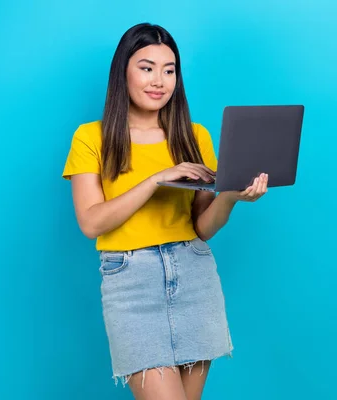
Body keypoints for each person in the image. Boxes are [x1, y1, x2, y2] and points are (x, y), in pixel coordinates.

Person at [62, 23, 268, 400]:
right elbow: (91, 222)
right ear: (122, 71)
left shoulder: (195, 136)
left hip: (193, 274)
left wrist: (230, 197)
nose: (159, 80)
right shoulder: (92, 137)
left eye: (169, 70)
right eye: (146, 67)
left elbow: (202, 227)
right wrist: (156, 179)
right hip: (131, 282)